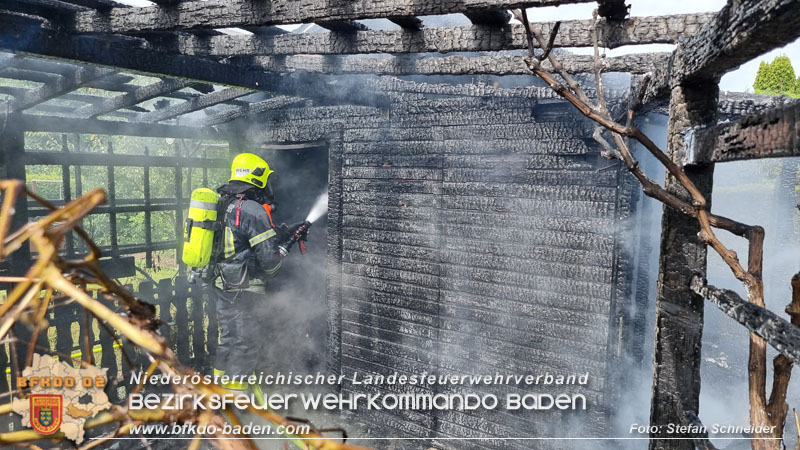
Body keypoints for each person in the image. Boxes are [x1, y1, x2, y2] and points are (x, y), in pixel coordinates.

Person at [210, 153, 283, 393]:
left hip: (222, 284)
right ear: (258, 177)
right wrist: (281, 255)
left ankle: (217, 393)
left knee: (228, 338)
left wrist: (279, 233)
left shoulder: (222, 204)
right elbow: (269, 261)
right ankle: (235, 406)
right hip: (245, 288)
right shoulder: (252, 210)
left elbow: (236, 241)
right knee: (245, 343)